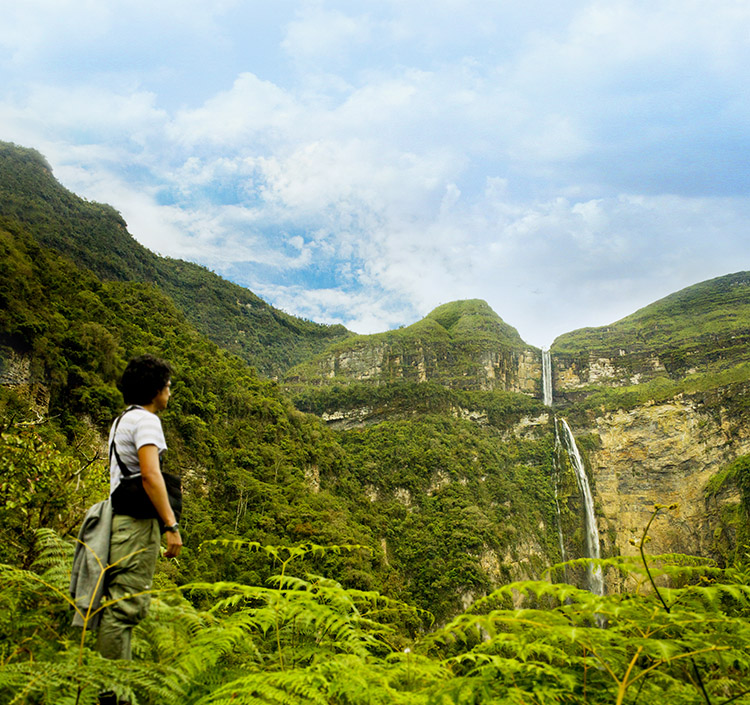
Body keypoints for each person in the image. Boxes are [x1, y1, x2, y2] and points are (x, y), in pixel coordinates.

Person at [95, 354, 182, 670]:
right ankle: (113, 690)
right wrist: (171, 525)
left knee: (118, 602)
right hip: (135, 526)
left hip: (117, 521)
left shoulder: (121, 421)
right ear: (156, 389)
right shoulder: (147, 421)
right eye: (168, 386)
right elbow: (150, 474)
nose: (170, 392)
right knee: (125, 608)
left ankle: (114, 685)